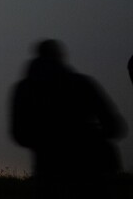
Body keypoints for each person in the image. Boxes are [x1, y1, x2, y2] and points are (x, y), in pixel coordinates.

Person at [10, 39, 126, 199]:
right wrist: (90, 135)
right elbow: (114, 127)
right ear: (60, 56)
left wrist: (44, 142)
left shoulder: (23, 90)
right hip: (89, 171)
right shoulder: (82, 83)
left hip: (47, 173)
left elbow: (18, 134)